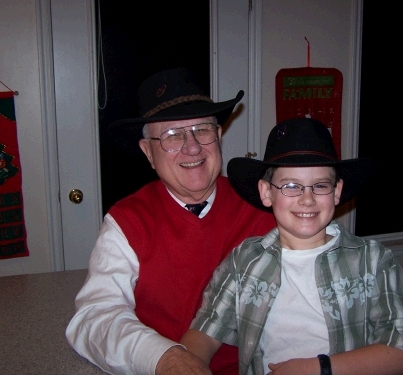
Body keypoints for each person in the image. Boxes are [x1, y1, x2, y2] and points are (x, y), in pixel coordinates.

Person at [65, 68, 277, 375]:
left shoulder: (262, 206)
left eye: (202, 130)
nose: (192, 147)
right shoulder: (127, 222)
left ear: (218, 136)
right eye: (172, 135)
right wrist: (163, 358)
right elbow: (94, 317)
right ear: (148, 152)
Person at [180, 117, 403, 375]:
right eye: (290, 186)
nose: (307, 199)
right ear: (267, 192)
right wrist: (183, 364)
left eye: (320, 185)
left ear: (336, 191)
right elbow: (205, 331)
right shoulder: (244, 261)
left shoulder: (373, 261)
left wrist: (318, 368)